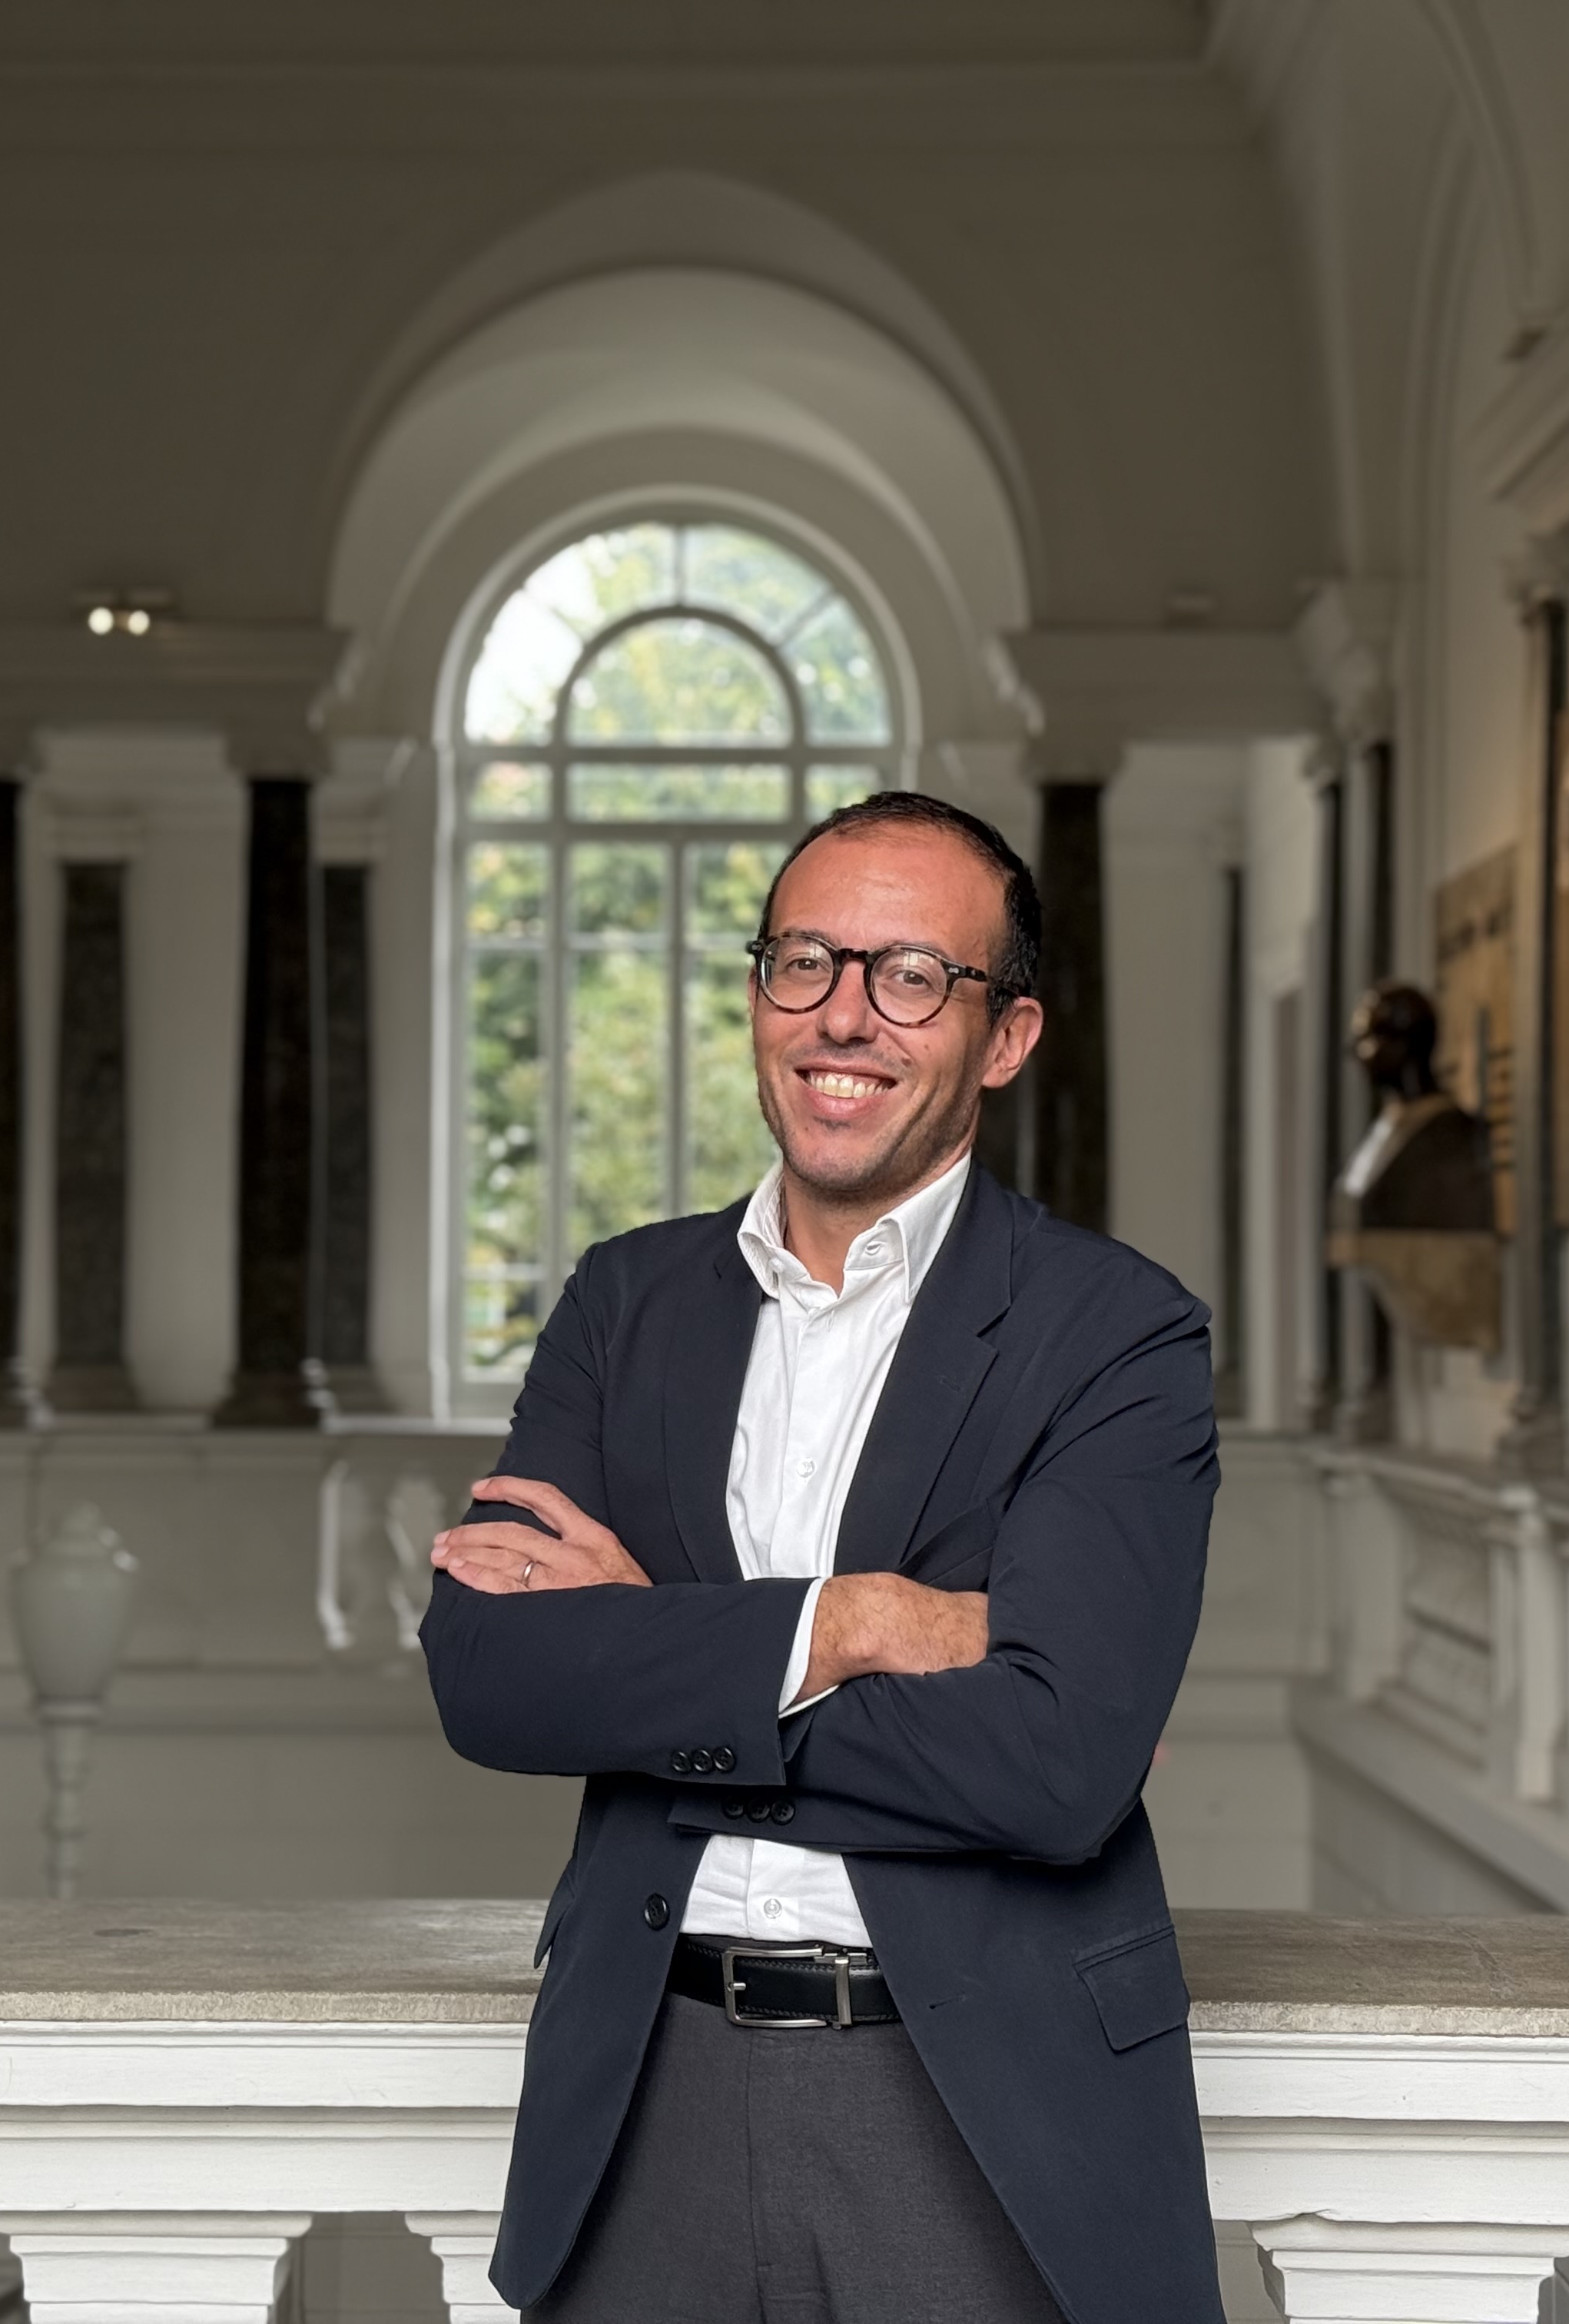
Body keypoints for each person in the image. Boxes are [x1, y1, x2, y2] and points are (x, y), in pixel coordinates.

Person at [422, 788, 1224, 2324]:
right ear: (756, 997)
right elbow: (490, 1675)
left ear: (1005, 1037)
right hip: (644, 2089)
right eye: (805, 962)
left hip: (974, 2107)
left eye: (911, 974)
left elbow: (1060, 1767)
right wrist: (852, 1623)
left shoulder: (1116, 1335)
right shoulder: (624, 1304)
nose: (845, 1015)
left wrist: (666, 1657)